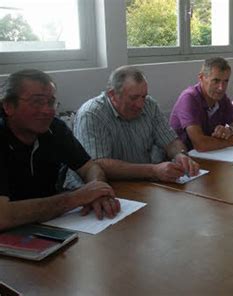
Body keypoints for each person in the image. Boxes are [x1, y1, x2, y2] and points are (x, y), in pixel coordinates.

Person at [0, 69, 120, 231]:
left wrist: (98, 190)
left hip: (50, 225)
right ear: (8, 106)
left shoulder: (55, 128)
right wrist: (75, 198)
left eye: (50, 103)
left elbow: (89, 167)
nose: (47, 110)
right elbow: (3, 216)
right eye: (37, 102)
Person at [72, 66, 199, 184]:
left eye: (143, 96)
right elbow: (99, 164)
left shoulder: (149, 105)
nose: (140, 104)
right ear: (112, 95)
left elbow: (170, 141)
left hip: (142, 183)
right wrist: (153, 170)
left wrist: (180, 154)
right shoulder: (92, 114)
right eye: (133, 98)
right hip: (103, 186)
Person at [170, 57, 233, 152]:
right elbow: (201, 144)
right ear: (201, 78)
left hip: (212, 154)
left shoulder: (221, 98)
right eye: (216, 81)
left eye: (226, 81)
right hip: (186, 158)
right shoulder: (189, 98)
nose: (221, 88)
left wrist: (230, 131)